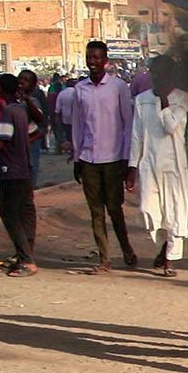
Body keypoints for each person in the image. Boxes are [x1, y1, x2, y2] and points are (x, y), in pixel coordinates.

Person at [67, 40, 138, 271]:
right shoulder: (80, 89)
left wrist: (128, 160)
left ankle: (126, 249)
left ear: (105, 60)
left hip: (113, 158)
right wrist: (77, 158)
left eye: (97, 57)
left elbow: (128, 124)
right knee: (95, 211)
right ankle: (104, 258)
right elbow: (77, 126)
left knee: (114, 209)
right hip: (88, 159)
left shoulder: (117, 87)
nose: (93, 62)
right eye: (90, 57)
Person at [129, 54, 188, 275]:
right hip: (149, 164)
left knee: (174, 212)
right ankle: (165, 246)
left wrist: (164, 101)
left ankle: (170, 260)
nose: (159, 77)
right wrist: (132, 166)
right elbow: (137, 134)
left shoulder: (182, 98)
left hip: (174, 166)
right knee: (150, 211)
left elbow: (170, 126)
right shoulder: (142, 99)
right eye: (156, 73)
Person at [0, 75, 40, 275]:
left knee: (9, 212)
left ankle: (26, 259)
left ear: (2, 91)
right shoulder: (22, 111)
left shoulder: (8, 112)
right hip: (25, 168)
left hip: (11, 169)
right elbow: (35, 132)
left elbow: (1, 142)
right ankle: (26, 253)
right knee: (26, 211)